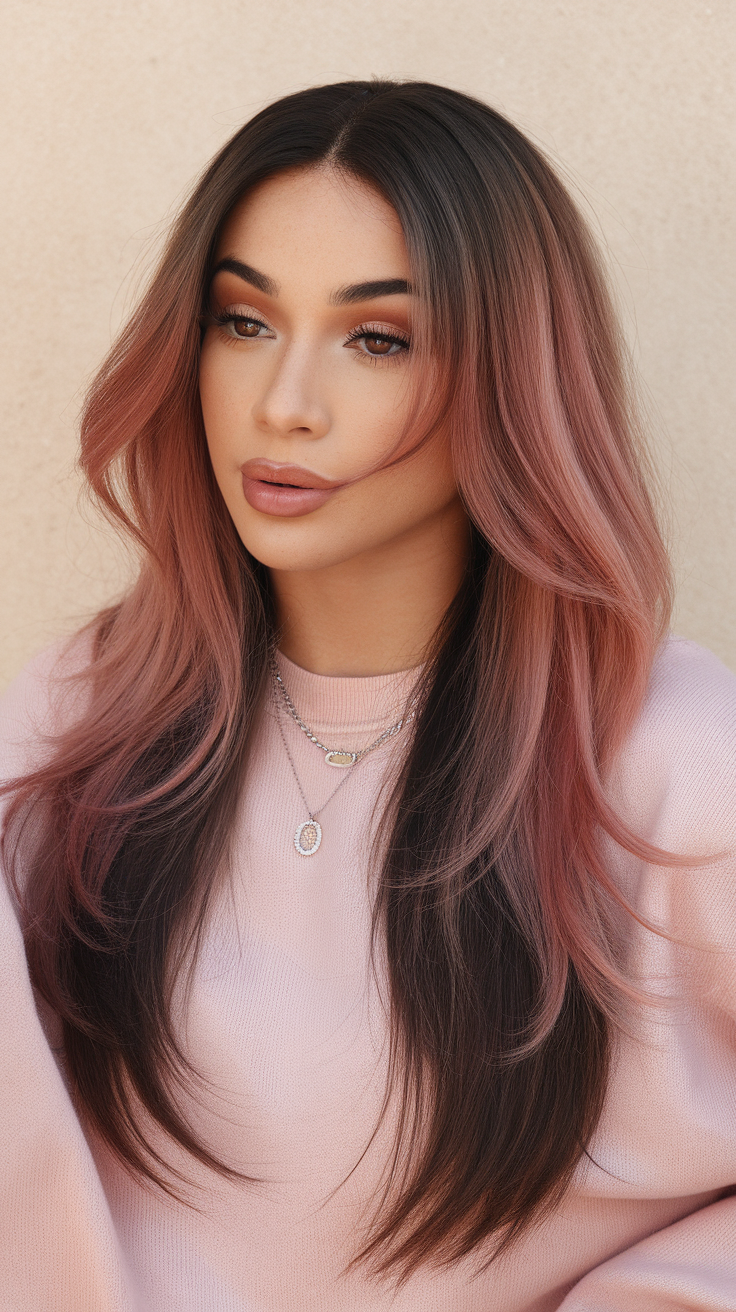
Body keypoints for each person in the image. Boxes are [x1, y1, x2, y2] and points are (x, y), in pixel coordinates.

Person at [0, 79, 734, 1312]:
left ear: (512, 378)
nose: (283, 402)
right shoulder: (84, 715)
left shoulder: (668, 765)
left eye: (375, 339)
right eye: (241, 322)